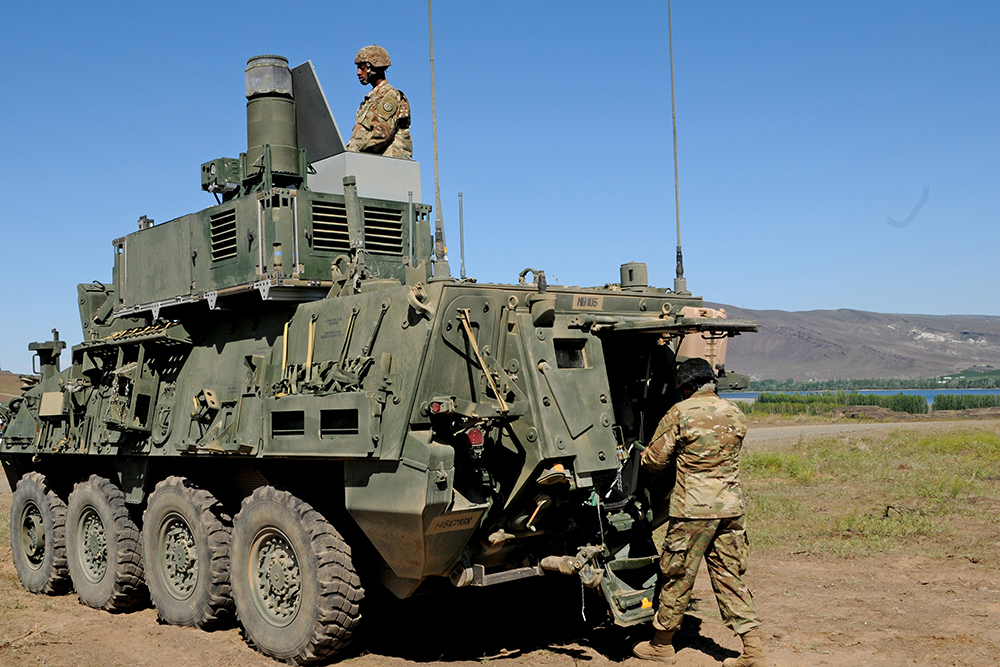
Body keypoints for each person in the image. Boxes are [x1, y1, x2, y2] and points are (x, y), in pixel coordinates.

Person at [632, 357, 768, 667]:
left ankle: (662, 646)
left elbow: (654, 460)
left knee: (677, 575)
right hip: (731, 508)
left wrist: (641, 455)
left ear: (687, 389)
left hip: (693, 509)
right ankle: (753, 650)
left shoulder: (681, 413)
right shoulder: (735, 413)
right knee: (729, 576)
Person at [346, 45, 413, 159]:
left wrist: (353, 151)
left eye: (362, 68)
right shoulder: (369, 101)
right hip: (374, 163)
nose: (358, 72)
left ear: (374, 67)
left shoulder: (389, 95)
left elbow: (381, 134)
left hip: (391, 164)